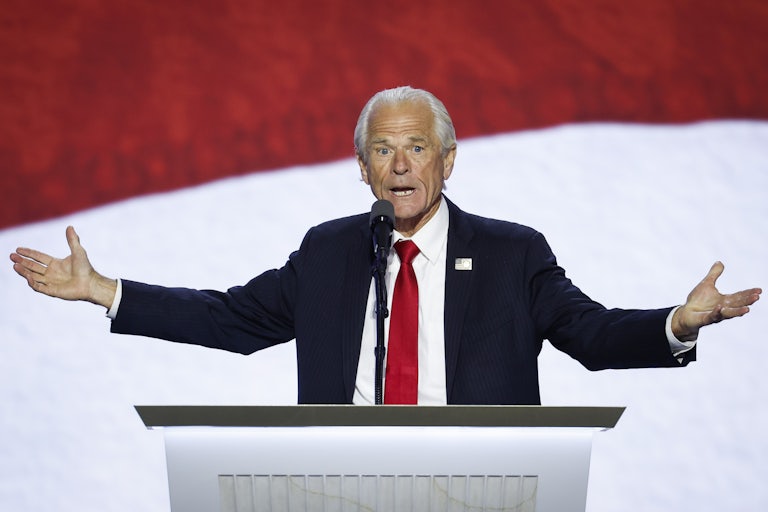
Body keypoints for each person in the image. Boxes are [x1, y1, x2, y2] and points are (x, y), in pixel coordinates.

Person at [10, 86, 761, 405]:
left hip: (486, 490)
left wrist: (677, 323)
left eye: (416, 147)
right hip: (340, 490)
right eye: (382, 150)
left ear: (447, 159)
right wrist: (105, 291)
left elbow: (592, 336)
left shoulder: (512, 254)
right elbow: (232, 321)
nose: (400, 165)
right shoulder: (330, 251)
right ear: (361, 165)